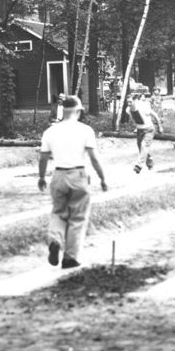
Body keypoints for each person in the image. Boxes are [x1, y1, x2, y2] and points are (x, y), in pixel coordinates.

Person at [37, 96, 108, 269]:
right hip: (78, 174)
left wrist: (41, 177)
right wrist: (102, 178)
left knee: (58, 212)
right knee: (77, 217)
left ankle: (55, 239)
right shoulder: (85, 130)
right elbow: (94, 158)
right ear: (78, 110)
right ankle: (70, 257)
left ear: (63, 110)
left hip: (59, 175)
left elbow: (43, 157)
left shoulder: (51, 131)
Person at [127, 89, 162, 173]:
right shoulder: (128, 109)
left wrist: (159, 127)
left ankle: (138, 166)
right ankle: (150, 163)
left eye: (130, 102)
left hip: (149, 129)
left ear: (135, 99)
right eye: (127, 102)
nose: (129, 103)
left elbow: (155, 115)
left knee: (144, 146)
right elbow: (134, 119)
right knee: (141, 148)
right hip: (140, 130)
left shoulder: (143, 106)